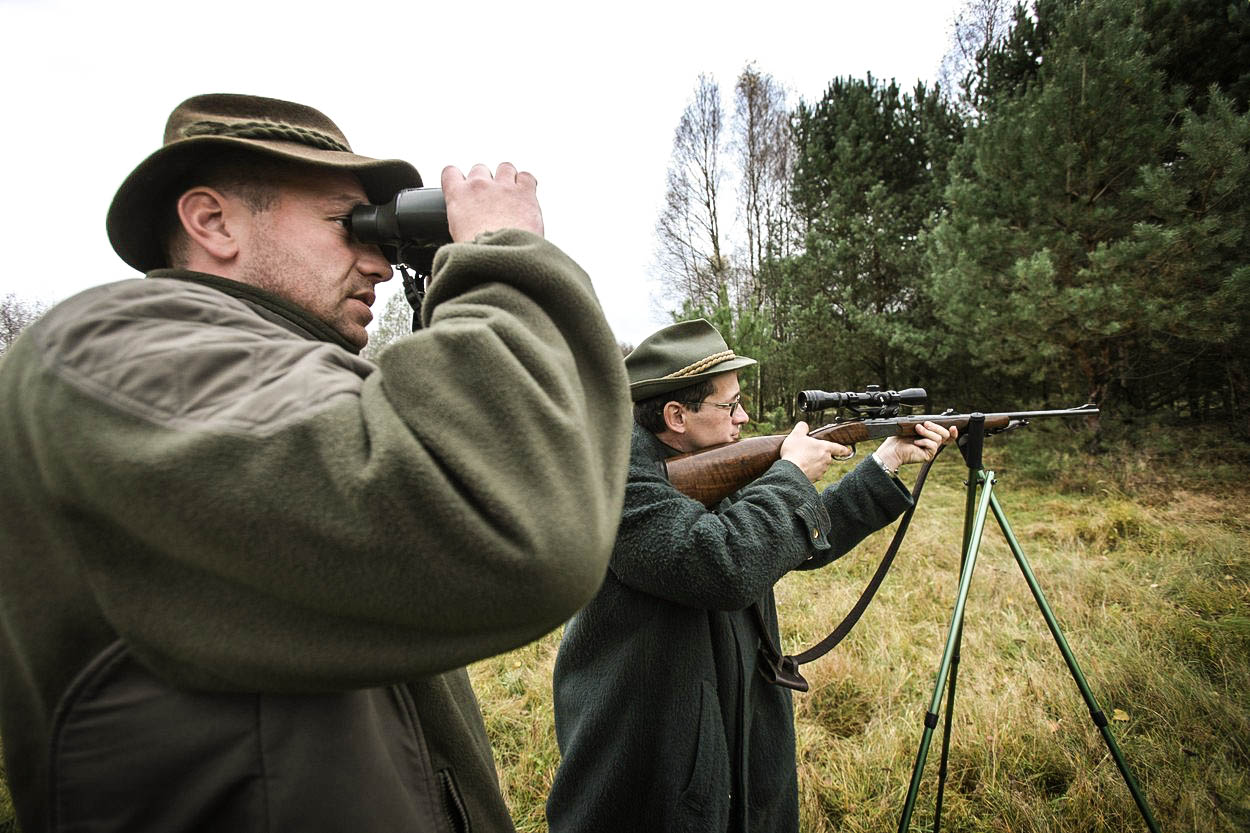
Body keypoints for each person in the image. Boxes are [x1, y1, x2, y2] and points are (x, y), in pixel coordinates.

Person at [0, 93, 631, 832]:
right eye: (349, 225)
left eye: (384, 236)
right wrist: (501, 252)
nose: (379, 264)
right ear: (213, 221)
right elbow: (520, 525)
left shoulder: (293, 383)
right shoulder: (113, 355)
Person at [545, 318, 955, 833]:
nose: (744, 417)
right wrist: (789, 476)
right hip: (651, 745)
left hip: (731, 720)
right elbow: (723, 566)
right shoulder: (615, 480)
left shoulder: (701, 460)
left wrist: (885, 461)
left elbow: (784, 545)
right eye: (730, 405)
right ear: (676, 414)